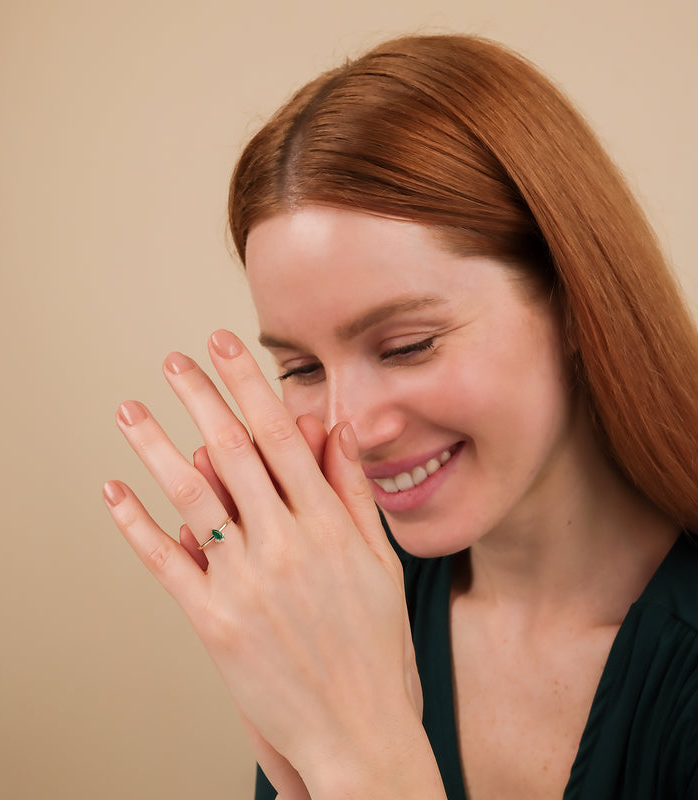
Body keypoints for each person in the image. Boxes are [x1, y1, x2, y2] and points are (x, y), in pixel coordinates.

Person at [103, 35, 698, 799]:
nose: (352, 430)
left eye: (408, 345)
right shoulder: (344, 606)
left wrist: (370, 765)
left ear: (575, 306)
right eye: (302, 369)